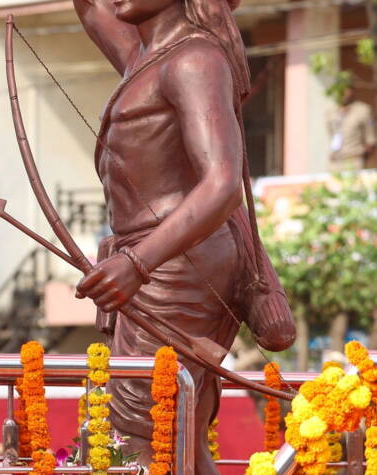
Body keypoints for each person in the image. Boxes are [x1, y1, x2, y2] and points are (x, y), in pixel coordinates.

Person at [72, 0, 254, 470]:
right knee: (170, 431)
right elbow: (91, 8)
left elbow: (222, 183)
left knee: (143, 429)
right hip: (154, 261)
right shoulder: (144, 56)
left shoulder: (194, 59)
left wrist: (138, 262)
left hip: (179, 265)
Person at [327, 84, 376, 172]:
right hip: (336, 160)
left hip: (354, 160)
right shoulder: (331, 111)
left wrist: (363, 157)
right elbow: (331, 134)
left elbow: (370, 140)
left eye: (346, 91)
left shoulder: (363, 110)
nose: (344, 94)